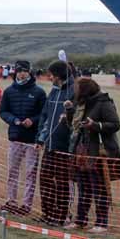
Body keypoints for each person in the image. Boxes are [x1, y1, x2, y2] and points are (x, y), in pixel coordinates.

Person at [66, 78, 120, 233]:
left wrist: (95, 125)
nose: (74, 91)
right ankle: (80, 220)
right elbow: (73, 126)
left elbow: (115, 124)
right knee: (83, 188)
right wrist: (69, 112)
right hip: (81, 150)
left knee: (99, 189)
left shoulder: (104, 102)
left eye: (77, 88)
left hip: (97, 153)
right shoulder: (81, 104)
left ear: (84, 90)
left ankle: (101, 223)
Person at [0, 60, 46, 215]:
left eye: (24, 70)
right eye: (19, 71)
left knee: (30, 173)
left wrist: (33, 120)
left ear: (30, 72)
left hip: (32, 139)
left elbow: (44, 114)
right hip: (15, 137)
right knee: (13, 171)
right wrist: (14, 120)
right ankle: (11, 201)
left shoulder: (39, 92)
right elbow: (3, 112)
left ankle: (26, 205)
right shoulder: (9, 91)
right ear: (15, 72)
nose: (22, 73)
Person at [37, 59, 75, 226]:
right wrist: (41, 138)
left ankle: (61, 216)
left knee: (62, 184)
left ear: (59, 75)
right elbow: (45, 116)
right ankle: (47, 213)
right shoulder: (53, 92)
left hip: (64, 148)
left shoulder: (74, 91)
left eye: (51, 74)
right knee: (45, 180)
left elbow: (77, 117)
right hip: (49, 145)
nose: (49, 77)